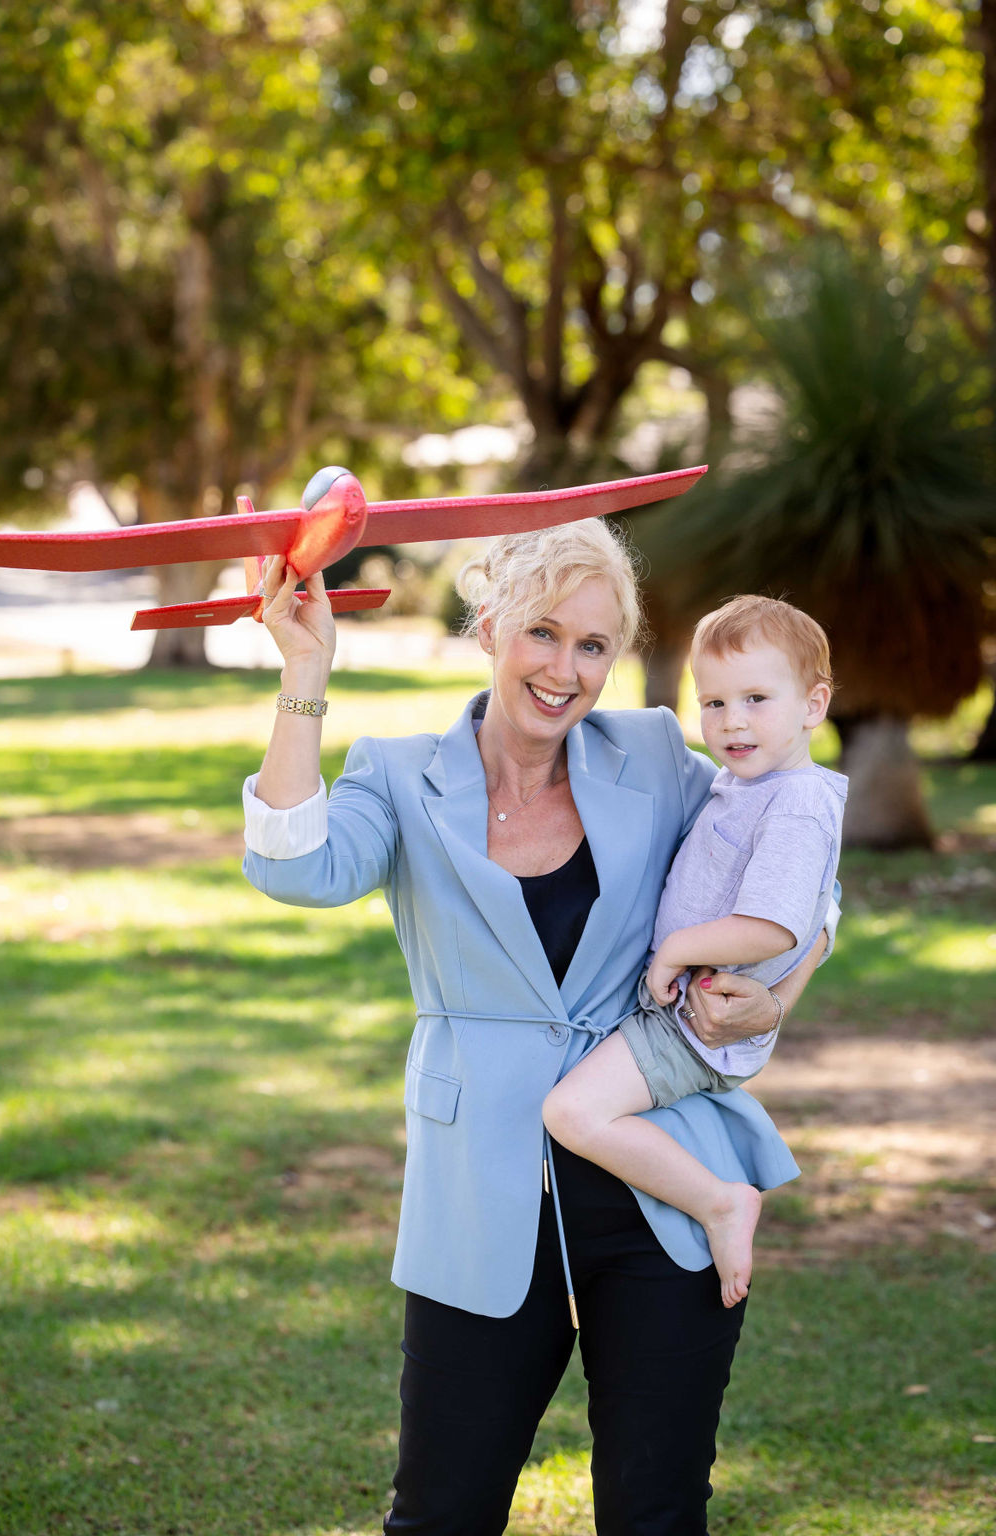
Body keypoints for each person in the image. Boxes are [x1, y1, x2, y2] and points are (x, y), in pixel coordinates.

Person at [241, 517, 829, 1536]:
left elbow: (794, 869)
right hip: (480, 1196)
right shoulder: (399, 774)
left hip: (660, 1195)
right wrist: (305, 674)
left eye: (593, 645)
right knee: (442, 1515)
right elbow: (295, 867)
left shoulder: (651, 753)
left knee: (654, 1514)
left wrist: (777, 992)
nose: (565, 670)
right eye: (543, 634)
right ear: (487, 628)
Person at [543, 596, 846, 1310]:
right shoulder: (746, 785)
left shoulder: (795, 804)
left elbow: (774, 927)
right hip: (678, 1011)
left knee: (573, 1114)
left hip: (693, 1023)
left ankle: (719, 1203)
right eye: (712, 701)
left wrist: (679, 947)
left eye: (755, 699)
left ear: (814, 703)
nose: (731, 720)